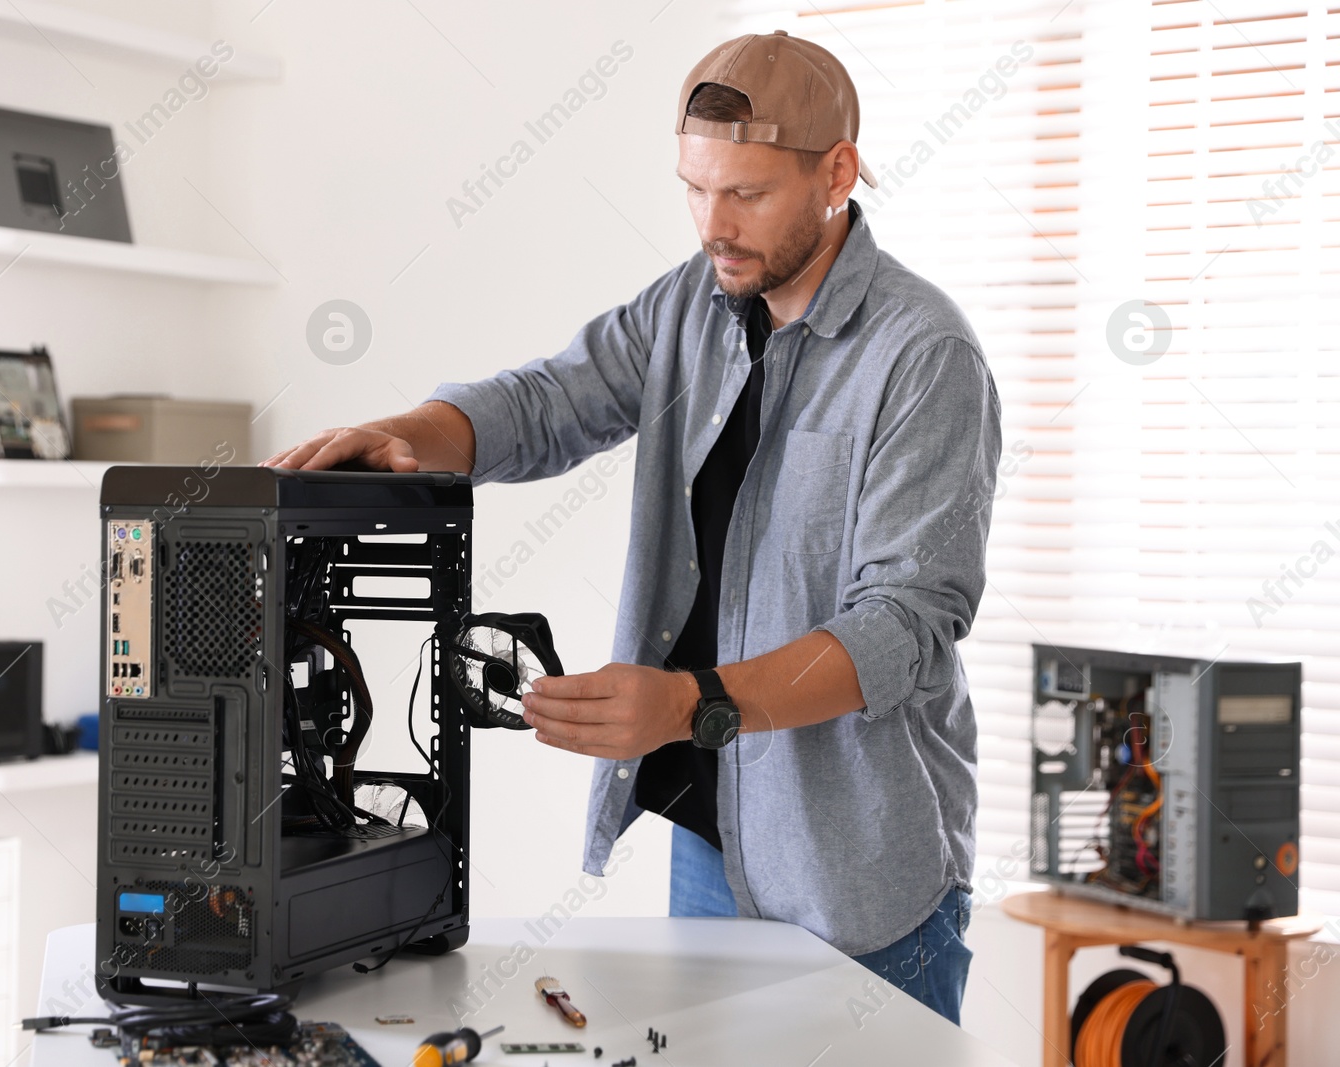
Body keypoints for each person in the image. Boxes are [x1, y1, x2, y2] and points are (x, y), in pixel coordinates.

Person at [264, 31, 1000, 1025]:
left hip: (857, 873)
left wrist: (694, 704)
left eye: (745, 194)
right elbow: (550, 400)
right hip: (710, 840)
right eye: (695, 189)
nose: (713, 225)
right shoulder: (689, 308)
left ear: (835, 174)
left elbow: (905, 624)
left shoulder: (924, 355)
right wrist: (404, 434)